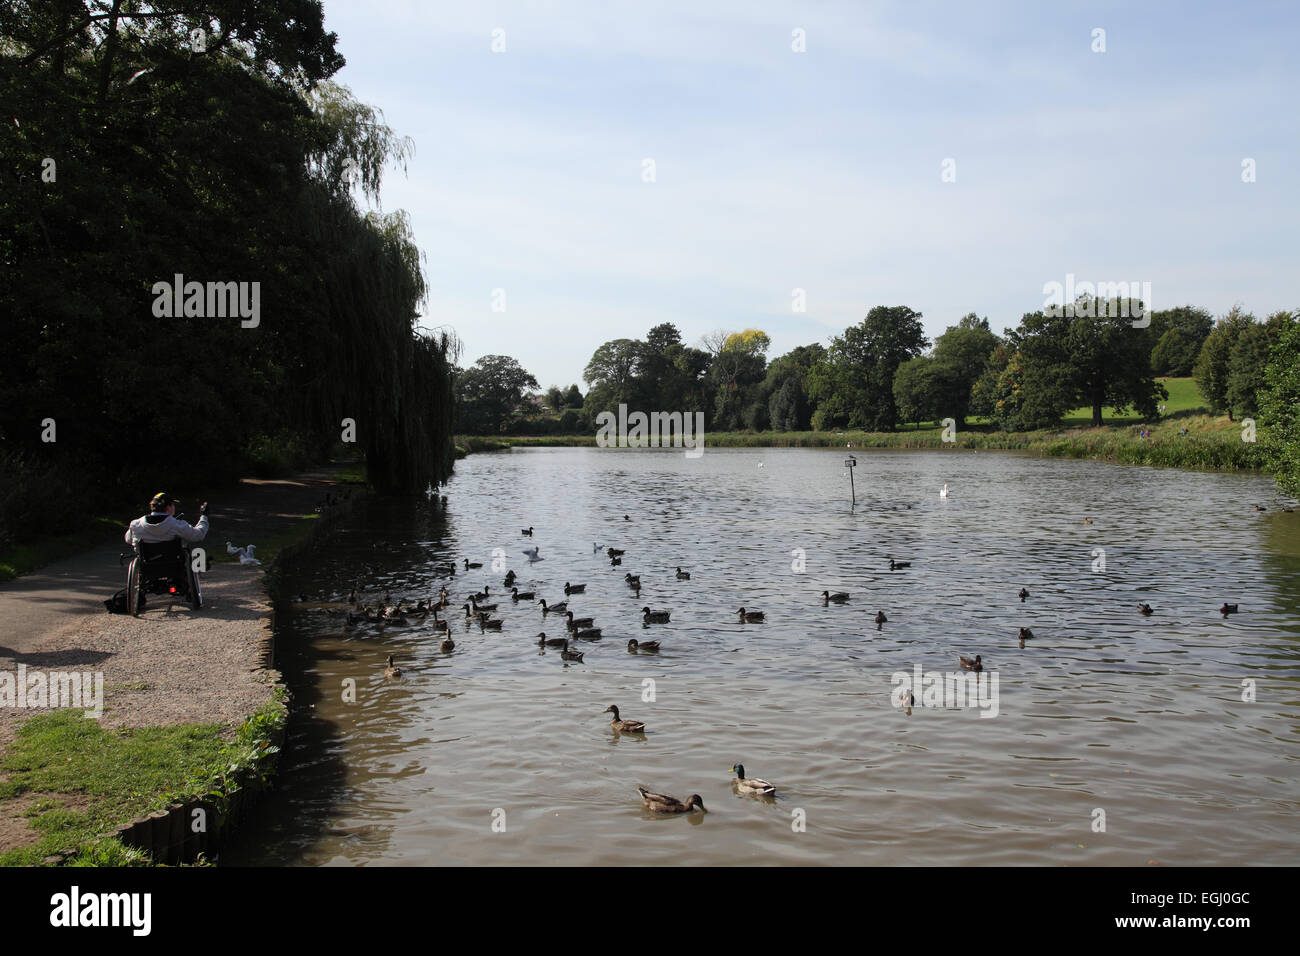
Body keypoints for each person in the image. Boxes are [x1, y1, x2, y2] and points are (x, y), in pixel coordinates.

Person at [124, 492, 209, 549]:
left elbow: (128, 539)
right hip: (172, 565)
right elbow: (198, 535)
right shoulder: (177, 525)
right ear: (168, 508)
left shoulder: (136, 524)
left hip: (147, 566)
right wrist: (204, 516)